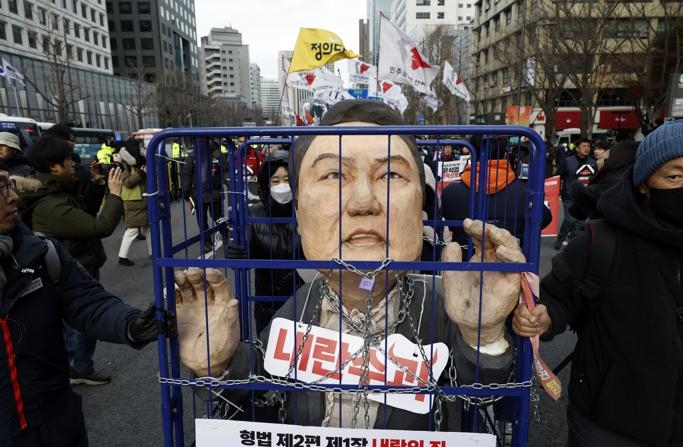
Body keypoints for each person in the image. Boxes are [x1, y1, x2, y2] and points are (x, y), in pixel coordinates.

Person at [175, 99, 525, 430]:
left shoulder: (443, 308)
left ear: (421, 213)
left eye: (390, 176)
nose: (363, 203)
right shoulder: (296, 311)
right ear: (299, 214)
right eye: (333, 176)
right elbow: (261, 388)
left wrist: (484, 336)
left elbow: (483, 391)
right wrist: (218, 365)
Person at [513, 119, 683, 447]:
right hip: (607, 427)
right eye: (675, 176)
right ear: (645, 183)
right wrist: (543, 316)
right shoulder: (601, 240)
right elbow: (558, 298)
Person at [0, 161, 163, 446]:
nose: (12, 196)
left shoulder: (40, 251)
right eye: (0, 190)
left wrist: (130, 324)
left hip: (57, 421)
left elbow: (87, 301)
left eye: (8, 185)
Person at [20, 135, 125, 386]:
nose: (74, 165)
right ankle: (76, 370)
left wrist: (97, 185)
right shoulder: (50, 205)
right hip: (71, 274)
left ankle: (76, 368)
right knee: (80, 324)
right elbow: (99, 226)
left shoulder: (57, 191)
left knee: (75, 326)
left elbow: (82, 214)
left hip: (78, 265)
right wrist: (114, 195)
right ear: (54, 167)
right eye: (68, 160)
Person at [226, 149, 304, 334]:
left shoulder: (308, 211)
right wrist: (236, 254)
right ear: (266, 184)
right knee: (269, 357)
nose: (282, 186)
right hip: (268, 306)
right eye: (275, 181)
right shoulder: (253, 214)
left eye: (287, 180)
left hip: (305, 301)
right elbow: (246, 259)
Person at [442, 139, 552, 260]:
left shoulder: (450, 192)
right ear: (505, 155)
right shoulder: (524, 192)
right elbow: (544, 218)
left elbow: (445, 222)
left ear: (471, 154)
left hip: (465, 265)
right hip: (510, 267)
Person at [181, 138, 227, 253]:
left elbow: (187, 174)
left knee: (203, 220)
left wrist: (186, 192)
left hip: (201, 193)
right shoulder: (217, 154)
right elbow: (226, 172)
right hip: (212, 192)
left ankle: (207, 241)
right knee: (217, 216)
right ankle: (224, 233)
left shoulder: (193, 156)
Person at [554, 138, 596, 249]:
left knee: (580, 221)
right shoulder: (567, 161)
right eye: (584, 146)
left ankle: (575, 241)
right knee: (570, 219)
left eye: (588, 146)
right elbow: (558, 176)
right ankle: (561, 239)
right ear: (577, 148)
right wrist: (557, 191)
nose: (586, 148)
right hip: (569, 196)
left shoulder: (592, 162)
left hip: (585, 196)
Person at [117, 138, 149, 266]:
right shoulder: (123, 163)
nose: (141, 148)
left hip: (144, 197)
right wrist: (141, 173)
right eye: (139, 146)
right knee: (132, 230)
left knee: (149, 228)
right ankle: (122, 256)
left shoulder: (141, 160)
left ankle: (154, 253)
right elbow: (127, 183)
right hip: (133, 201)